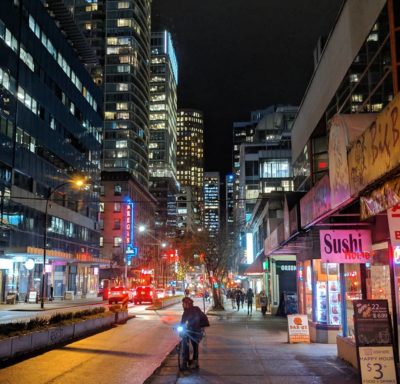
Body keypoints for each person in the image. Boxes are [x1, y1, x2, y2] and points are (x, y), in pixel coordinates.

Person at [180, 297, 208, 368]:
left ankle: (195, 361)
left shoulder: (196, 309)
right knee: (185, 342)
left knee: (195, 344)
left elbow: (200, 319)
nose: (183, 305)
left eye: (184, 303)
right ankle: (185, 360)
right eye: (183, 303)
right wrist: (180, 328)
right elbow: (182, 322)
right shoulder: (186, 312)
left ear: (188, 304)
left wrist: (199, 327)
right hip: (190, 329)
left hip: (197, 330)